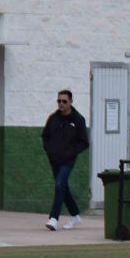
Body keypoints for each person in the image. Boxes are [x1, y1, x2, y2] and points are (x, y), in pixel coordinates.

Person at [41, 89, 89, 231]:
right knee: (62, 187)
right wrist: (49, 151)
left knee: (59, 184)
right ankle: (75, 215)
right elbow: (45, 136)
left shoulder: (78, 120)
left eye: (64, 101)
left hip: (68, 160)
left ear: (70, 102)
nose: (61, 104)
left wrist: (70, 153)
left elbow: (84, 142)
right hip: (54, 159)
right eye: (59, 101)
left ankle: (53, 218)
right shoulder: (53, 118)